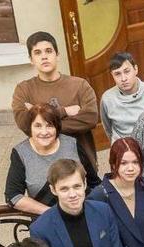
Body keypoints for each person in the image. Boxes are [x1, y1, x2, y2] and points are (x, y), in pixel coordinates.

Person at [12, 31, 99, 169]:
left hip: (81, 162)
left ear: (57, 55)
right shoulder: (24, 89)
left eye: (49, 51)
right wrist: (64, 111)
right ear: (31, 59)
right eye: (37, 53)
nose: (44, 56)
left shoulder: (80, 85)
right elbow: (25, 123)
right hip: (43, 164)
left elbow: (90, 118)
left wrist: (40, 124)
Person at [5, 104, 90, 214]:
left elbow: (93, 182)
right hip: (45, 217)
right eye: (38, 126)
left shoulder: (72, 144)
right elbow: (13, 196)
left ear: (57, 127)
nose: (44, 132)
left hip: (81, 212)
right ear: (30, 128)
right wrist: (52, 213)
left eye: (49, 126)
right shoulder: (21, 152)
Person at [100, 51, 144, 142]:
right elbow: (107, 128)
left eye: (127, 71)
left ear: (136, 69)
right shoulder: (107, 98)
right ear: (112, 75)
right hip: (123, 145)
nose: (123, 79)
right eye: (117, 74)